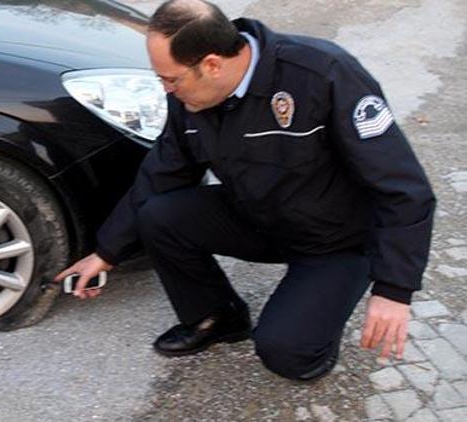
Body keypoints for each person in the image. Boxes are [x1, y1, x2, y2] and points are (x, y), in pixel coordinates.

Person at [55, 0, 436, 381]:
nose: (166, 90)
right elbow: (161, 175)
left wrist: (394, 290)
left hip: (337, 243)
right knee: (159, 214)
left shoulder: (322, 74)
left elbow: (403, 189)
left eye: (171, 79)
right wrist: (106, 253)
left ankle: (314, 324)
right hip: (261, 217)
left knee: (286, 353)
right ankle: (217, 317)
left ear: (212, 65)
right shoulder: (191, 99)